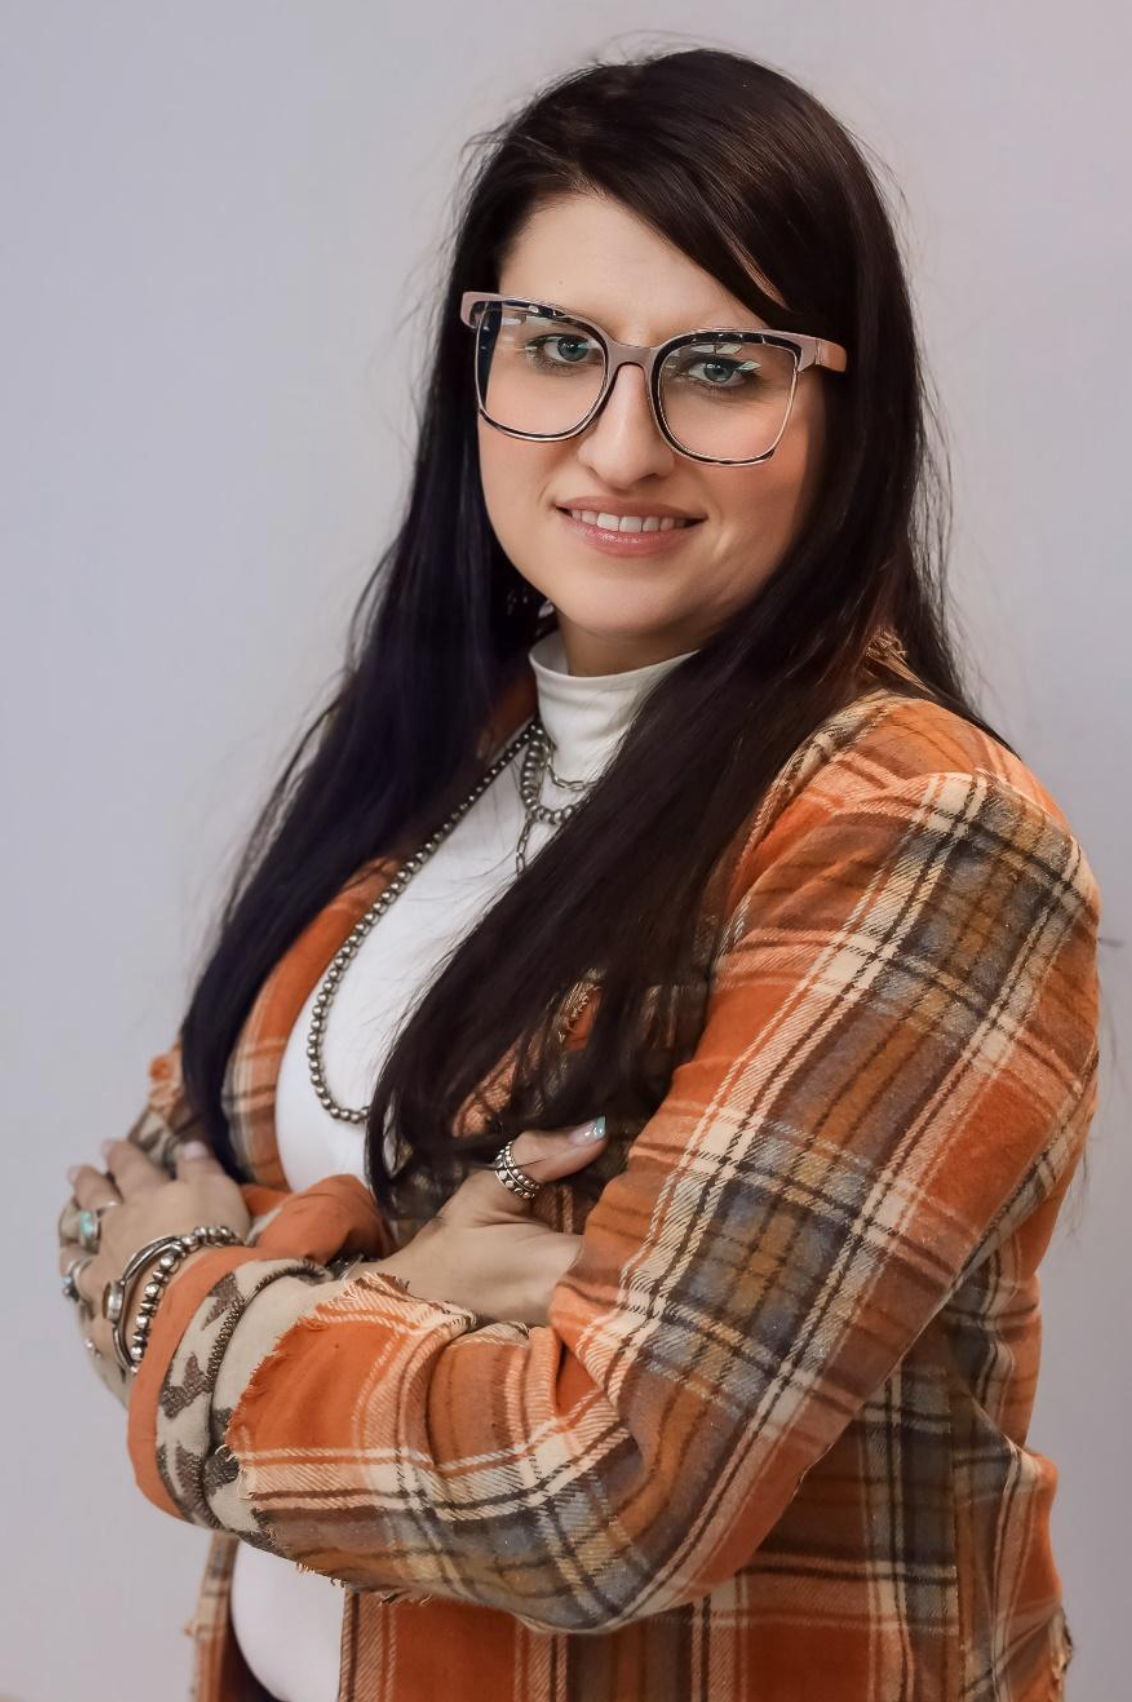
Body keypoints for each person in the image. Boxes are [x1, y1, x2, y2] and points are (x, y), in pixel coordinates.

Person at [56, 45, 1099, 1702]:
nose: (619, 446)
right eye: (558, 349)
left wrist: (183, 1309)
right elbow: (126, 1185)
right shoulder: (433, 746)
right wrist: (394, 1285)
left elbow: (599, 1488)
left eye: (721, 369)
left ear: (844, 397)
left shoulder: (911, 830)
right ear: (481, 361)